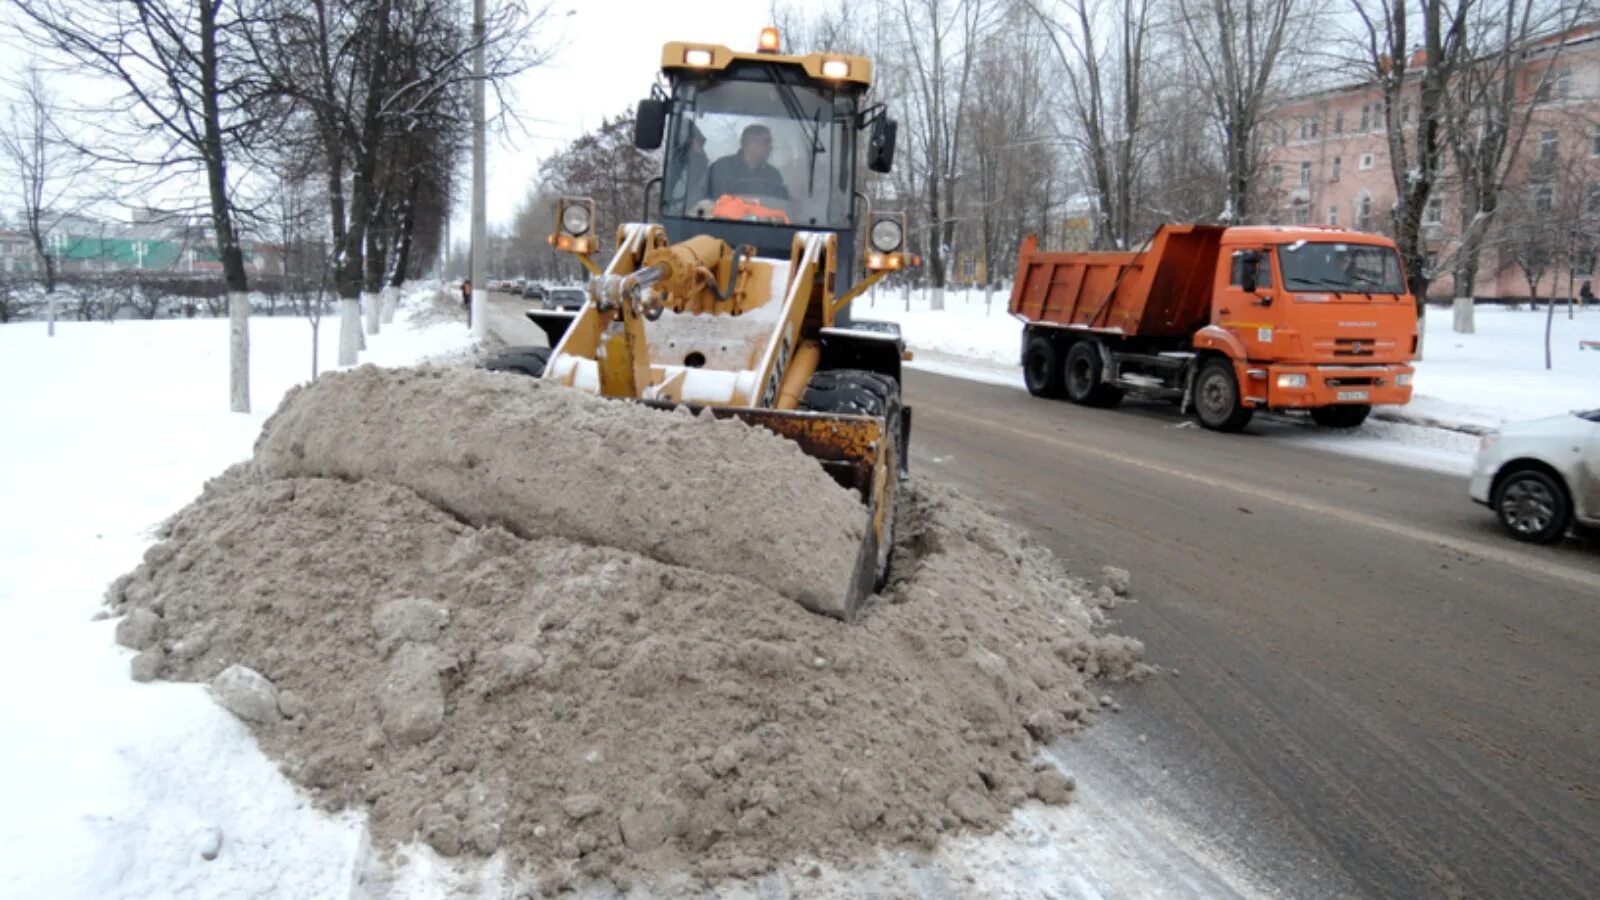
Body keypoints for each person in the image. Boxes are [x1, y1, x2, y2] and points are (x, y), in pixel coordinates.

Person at [704, 124, 788, 201]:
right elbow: (701, 202)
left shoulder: (773, 175)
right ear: (750, 143)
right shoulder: (720, 169)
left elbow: (782, 206)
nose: (771, 147)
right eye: (766, 142)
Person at [666, 124, 709, 209]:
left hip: (690, 207)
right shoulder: (679, 161)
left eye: (699, 143)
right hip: (678, 207)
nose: (698, 145)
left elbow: (699, 190)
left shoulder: (700, 162)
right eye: (695, 140)